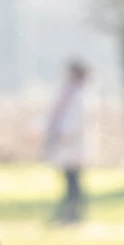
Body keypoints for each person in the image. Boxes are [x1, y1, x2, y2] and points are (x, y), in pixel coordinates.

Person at [44, 59, 89, 225]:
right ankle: (70, 212)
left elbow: (75, 122)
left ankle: (74, 214)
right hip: (68, 145)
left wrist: (61, 133)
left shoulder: (79, 94)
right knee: (70, 180)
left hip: (72, 144)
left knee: (73, 181)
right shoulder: (70, 93)